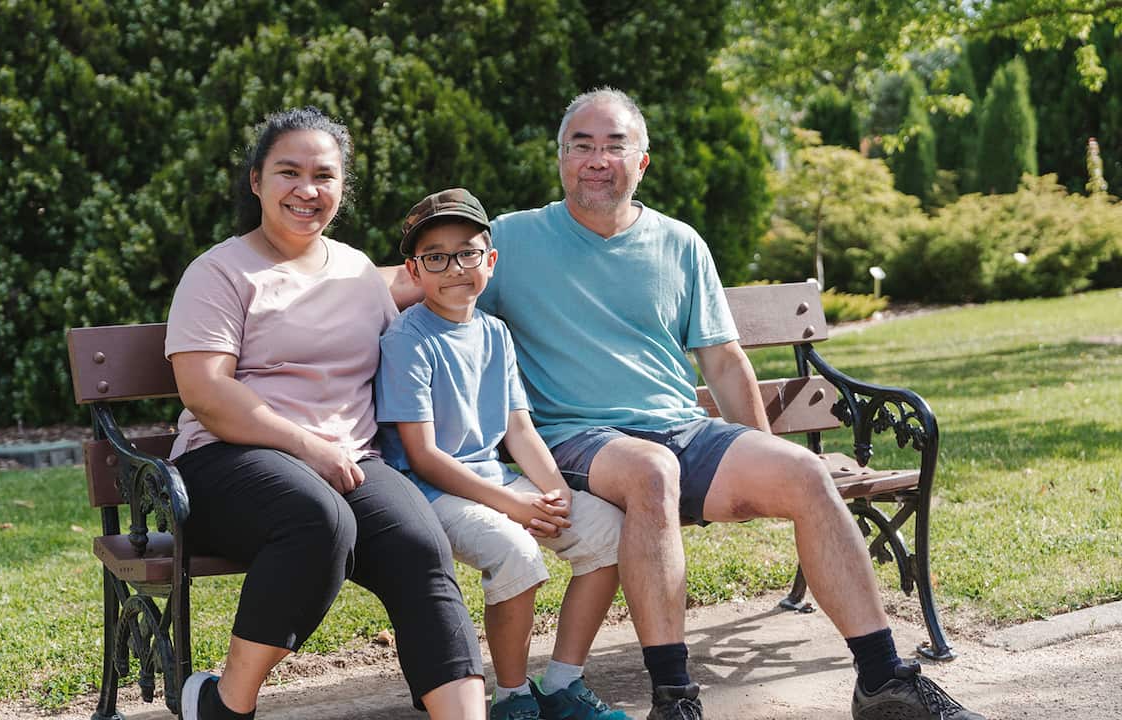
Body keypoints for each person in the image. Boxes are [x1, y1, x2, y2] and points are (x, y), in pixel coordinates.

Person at [387, 88, 985, 720]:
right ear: (561, 159)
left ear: (641, 162)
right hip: (576, 438)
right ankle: (675, 697)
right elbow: (410, 282)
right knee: (653, 470)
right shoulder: (510, 240)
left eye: (614, 145)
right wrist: (311, 282)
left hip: (681, 428)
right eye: (581, 145)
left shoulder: (680, 243)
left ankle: (883, 679)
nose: (597, 159)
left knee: (806, 474)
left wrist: (762, 445)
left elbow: (724, 362)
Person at [165, 107, 486, 720]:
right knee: (319, 519)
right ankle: (223, 704)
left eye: (324, 175)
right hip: (228, 465)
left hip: (350, 462)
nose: (307, 190)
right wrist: (308, 447)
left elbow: (443, 271)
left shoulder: (358, 270)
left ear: (342, 188)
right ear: (256, 180)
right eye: (289, 172)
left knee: (420, 545)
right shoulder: (218, 273)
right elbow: (205, 391)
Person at [375, 188, 630, 720]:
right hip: (432, 494)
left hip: (494, 477)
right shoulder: (408, 340)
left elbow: (519, 429)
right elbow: (422, 456)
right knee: (515, 551)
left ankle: (562, 683)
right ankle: (513, 695)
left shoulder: (495, 333)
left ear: (489, 261)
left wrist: (555, 491)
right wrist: (514, 506)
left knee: (608, 530)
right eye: (436, 257)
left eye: (468, 253)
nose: (454, 269)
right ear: (414, 270)